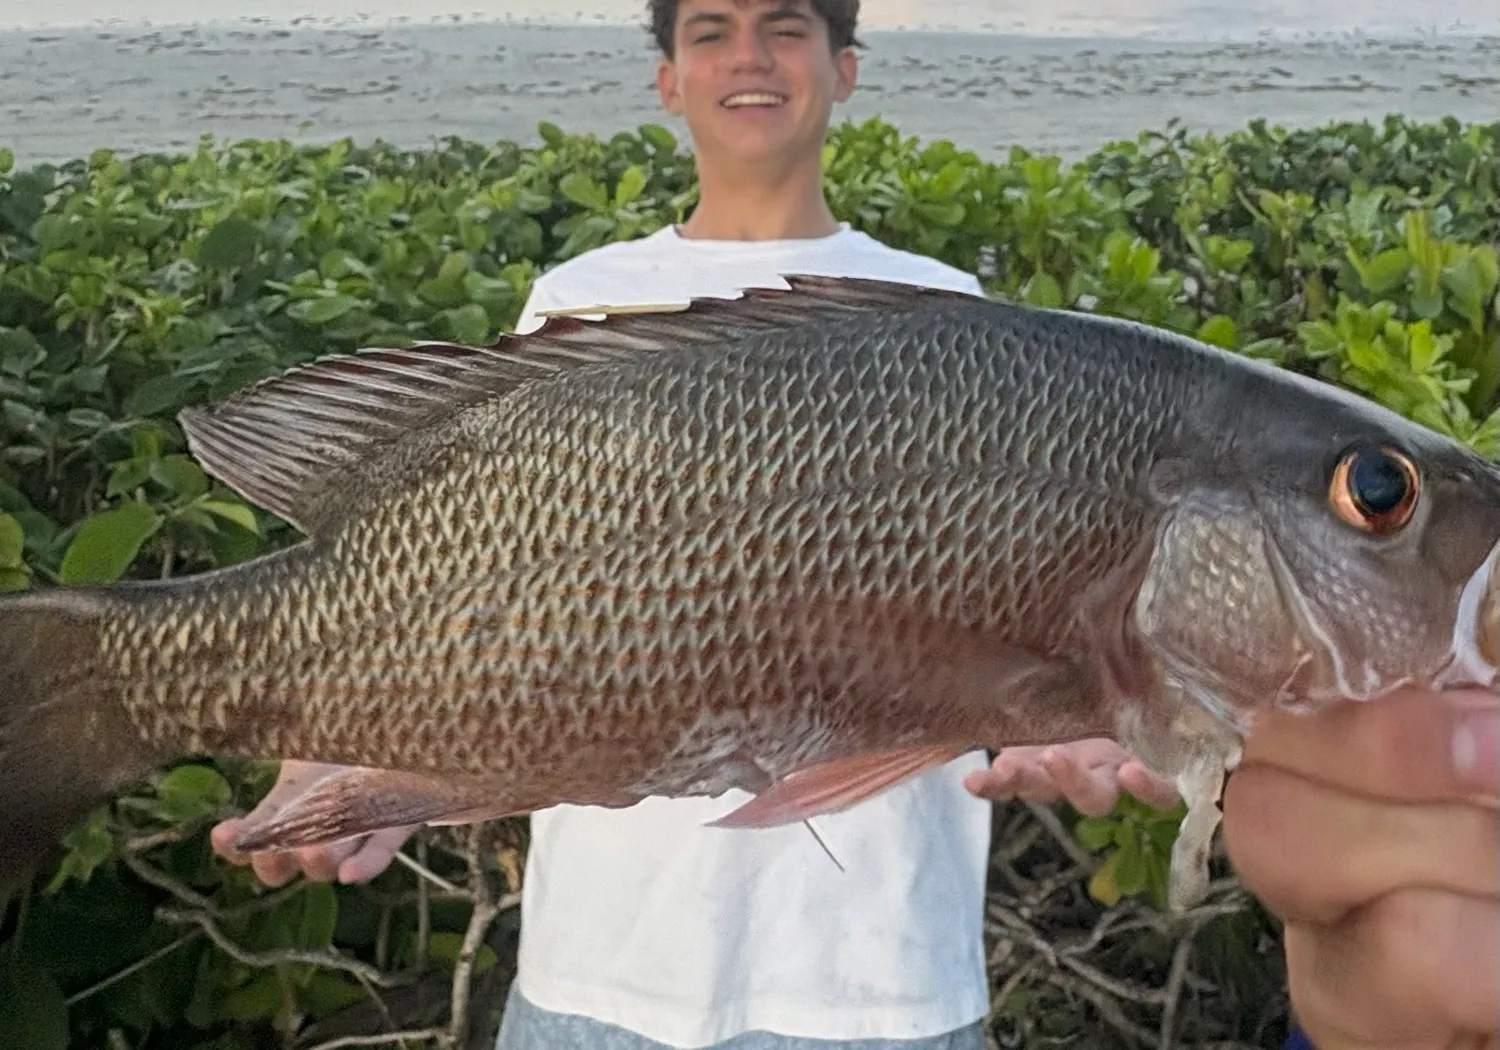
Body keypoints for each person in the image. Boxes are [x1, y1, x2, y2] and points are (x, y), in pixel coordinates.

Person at [211, 3, 1500, 1049]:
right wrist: (343, 741)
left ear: (846, 67)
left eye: (786, 26)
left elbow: (963, 668)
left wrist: (1125, 724)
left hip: (881, 986)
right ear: (668, 79)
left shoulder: (952, 315)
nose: (749, 56)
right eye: (710, 30)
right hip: (601, 979)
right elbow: (462, 581)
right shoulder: (578, 300)